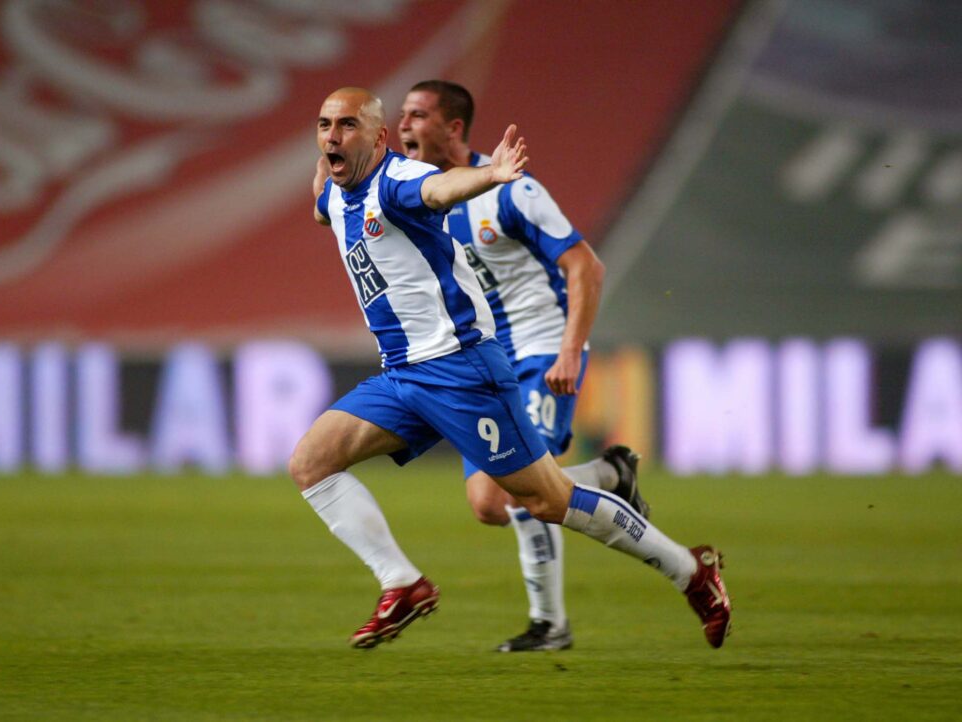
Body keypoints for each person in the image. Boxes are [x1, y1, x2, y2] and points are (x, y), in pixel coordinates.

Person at [291, 86, 731, 651]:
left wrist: (489, 176)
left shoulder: (399, 183)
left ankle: (691, 573)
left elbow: (437, 188)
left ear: (378, 140)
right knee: (312, 463)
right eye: (325, 125)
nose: (332, 135)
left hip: (460, 370)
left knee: (546, 500)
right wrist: (328, 166)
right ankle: (401, 583)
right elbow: (323, 205)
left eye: (347, 126)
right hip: (402, 376)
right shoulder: (336, 193)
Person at [397, 79, 648, 652]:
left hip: (540, 352)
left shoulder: (513, 191)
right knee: (489, 503)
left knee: (520, 493)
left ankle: (549, 625)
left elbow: (586, 268)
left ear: (453, 128)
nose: (404, 126)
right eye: (401, 116)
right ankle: (611, 476)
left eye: (416, 115)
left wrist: (568, 348)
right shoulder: (419, 200)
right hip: (485, 366)